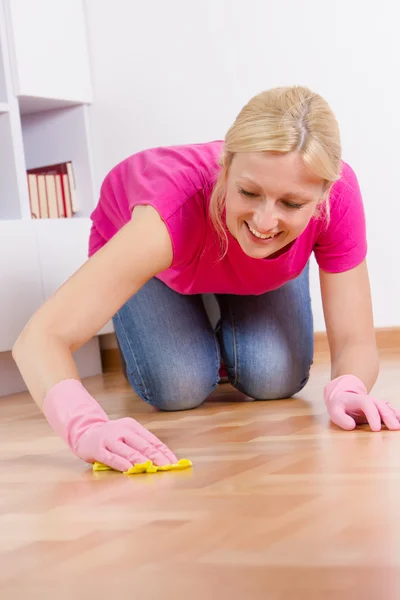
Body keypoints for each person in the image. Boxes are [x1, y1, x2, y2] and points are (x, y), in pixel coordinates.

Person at [12, 85, 400, 473]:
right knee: (178, 386)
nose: (265, 221)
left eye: (292, 203)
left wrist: (350, 387)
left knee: (275, 379)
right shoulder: (168, 211)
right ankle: (196, 309)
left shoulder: (339, 195)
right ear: (225, 167)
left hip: (243, 263)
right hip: (163, 259)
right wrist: (85, 427)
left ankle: (218, 304)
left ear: (323, 196)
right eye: (249, 192)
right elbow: (39, 339)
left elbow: (355, 339)